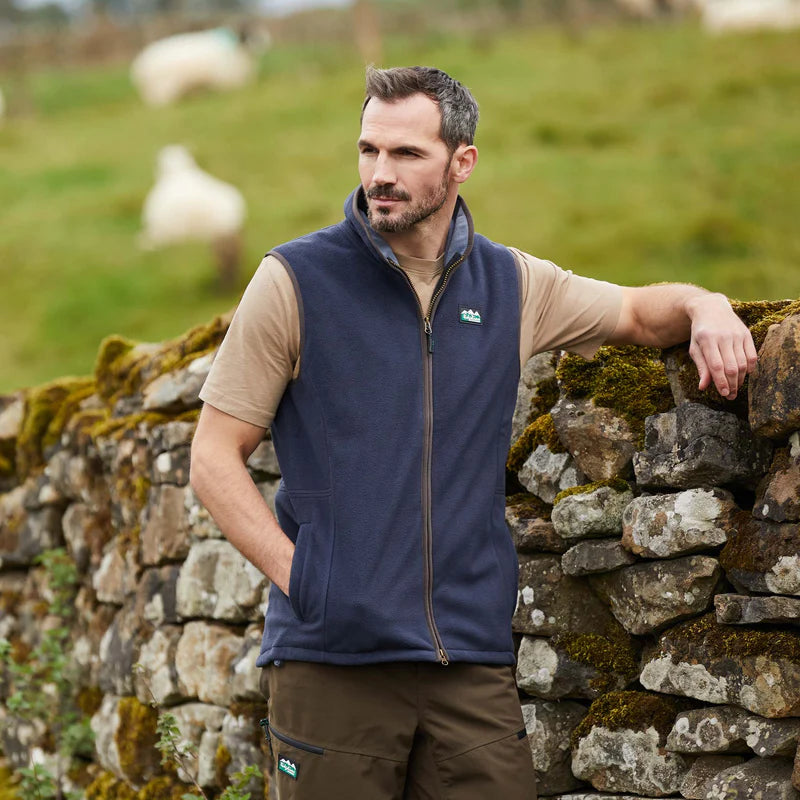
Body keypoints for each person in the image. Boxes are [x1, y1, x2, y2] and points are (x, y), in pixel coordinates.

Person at [190, 66, 757, 800]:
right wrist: (307, 581)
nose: (380, 174)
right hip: (333, 662)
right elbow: (214, 456)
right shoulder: (295, 280)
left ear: (462, 162)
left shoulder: (510, 285)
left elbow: (637, 313)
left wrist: (708, 306)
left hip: (469, 663)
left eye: (407, 154)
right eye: (369, 150)